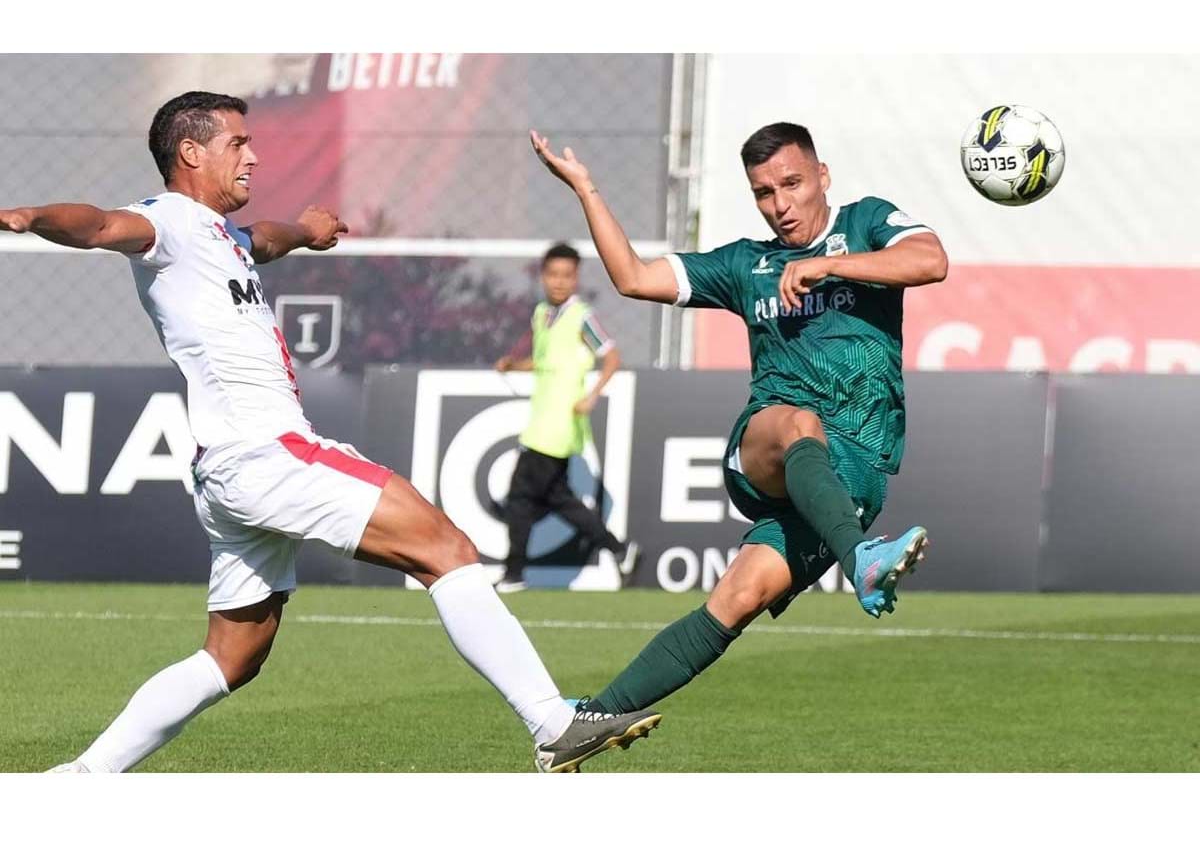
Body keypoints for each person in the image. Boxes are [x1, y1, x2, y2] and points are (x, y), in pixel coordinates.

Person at [0, 90, 659, 774]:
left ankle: (78, 779)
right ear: (191, 153)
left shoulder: (219, 236)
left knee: (233, 657)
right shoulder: (163, 221)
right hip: (267, 453)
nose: (254, 154)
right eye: (237, 143)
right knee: (445, 547)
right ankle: (551, 722)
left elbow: (265, 241)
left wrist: (308, 232)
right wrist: (26, 217)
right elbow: (100, 226)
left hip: (230, 471)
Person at [530, 121, 946, 724]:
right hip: (769, 447)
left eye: (792, 184)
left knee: (736, 600)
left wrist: (833, 268)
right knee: (798, 422)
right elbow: (634, 277)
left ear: (822, 177)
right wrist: (586, 189)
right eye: (763, 193)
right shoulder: (746, 265)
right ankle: (863, 562)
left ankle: (588, 719)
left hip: (856, 475)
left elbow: (931, 260)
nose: (780, 204)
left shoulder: (866, 225)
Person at [493, 243, 639, 593]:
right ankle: (619, 549)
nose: (559, 282)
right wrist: (514, 364)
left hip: (557, 425)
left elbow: (612, 356)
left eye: (567, 275)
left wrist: (592, 395)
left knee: (520, 496)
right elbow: (546, 362)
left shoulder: (580, 316)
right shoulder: (543, 313)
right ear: (543, 276)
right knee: (559, 499)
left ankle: (514, 573)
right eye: (553, 274)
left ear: (576, 278)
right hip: (541, 420)